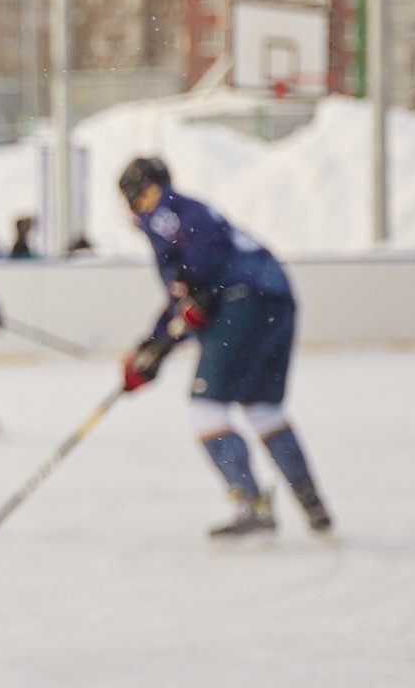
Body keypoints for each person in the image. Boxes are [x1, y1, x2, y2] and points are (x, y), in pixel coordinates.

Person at [116, 155, 333, 540]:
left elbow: (194, 286)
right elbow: (188, 300)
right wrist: (154, 348)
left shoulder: (165, 214)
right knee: (262, 408)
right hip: (276, 297)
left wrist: (164, 338)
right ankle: (312, 503)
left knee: (205, 410)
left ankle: (252, 504)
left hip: (244, 300)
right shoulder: (194, 211)